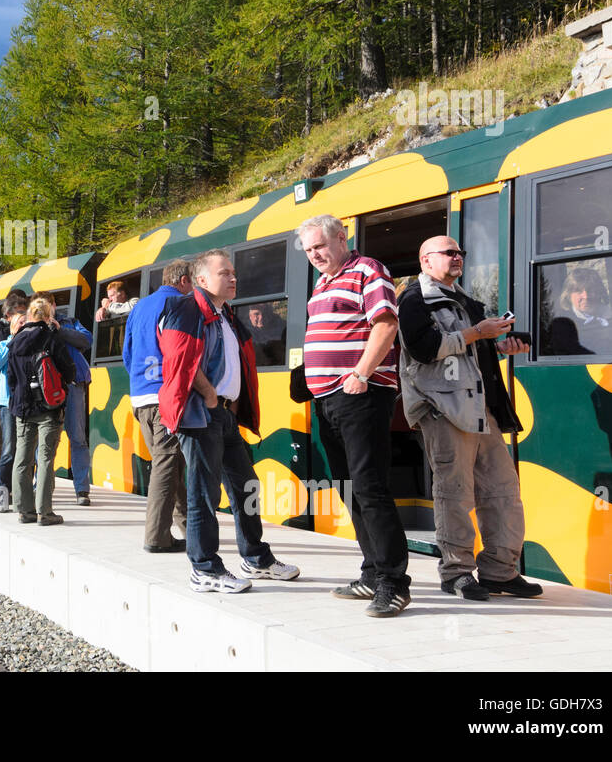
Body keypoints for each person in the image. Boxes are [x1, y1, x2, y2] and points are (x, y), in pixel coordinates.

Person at [397, 236, 542, 599]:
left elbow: (477, 355)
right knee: (455, 493)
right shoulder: (414, 299)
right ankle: (456, 572)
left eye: (460, 252)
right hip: (444, 409)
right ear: (426, 260)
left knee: (503, 491)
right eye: (449, 253)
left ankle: (499, 571)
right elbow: (424, 348)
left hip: (483, 411)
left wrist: (503, 344)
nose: (458, 257)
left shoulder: (468, 301)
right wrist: (478, 333)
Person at [158, 249, 300, 593]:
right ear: (201, 280)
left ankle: (256, 558)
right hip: (200, 415)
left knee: (246, 486)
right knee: (204, 495)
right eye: (225, 273)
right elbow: (180, 362)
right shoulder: (185, 309)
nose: (233, 278)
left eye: (233, 272)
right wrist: (209, 395)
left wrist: (232, 406)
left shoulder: (226, 315)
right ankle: (204, 568)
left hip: (224, 416)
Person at [299, 214, 411, 617]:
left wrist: (361, 374)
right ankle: (372, 572)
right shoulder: (322, 282)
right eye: (309, 250)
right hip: (329, 399)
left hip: (360, 395)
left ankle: (394, 582)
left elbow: (385, 324)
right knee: (351, 488)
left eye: (320, 247)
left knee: (371, 486)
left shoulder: (368, 269)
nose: (315, 255)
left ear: (341, 239)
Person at [124, 258, 193, 552]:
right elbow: (181, 351)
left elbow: (127, 353)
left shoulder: (139, 307)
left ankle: (190, 526)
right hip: (165, 394)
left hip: (140, 395)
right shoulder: (180, 304)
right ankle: (156, 537)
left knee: (170, 463)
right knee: (166, 464)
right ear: (183, 281)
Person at [7, 296, 78, 525]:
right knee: (45, 459)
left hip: (23, 408)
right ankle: (45, 513)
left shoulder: (15, 341)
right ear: (49, 316)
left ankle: (24, 511)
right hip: (49, 407)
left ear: (28, 316)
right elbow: (69, 372)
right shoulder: (51, 338)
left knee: (22, 459)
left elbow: (10, 378)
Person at [0, 294, 28, 510]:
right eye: (19, 322)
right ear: (11, 324)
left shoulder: (32, 341)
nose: (23, 325)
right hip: (7, 402)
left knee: (25, 450)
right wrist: (11, 341)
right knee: (9, 449)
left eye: (25, 322)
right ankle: (3, 493)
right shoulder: (4, 343)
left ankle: (21, 494)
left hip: (28, 402)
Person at [54, 306, 94, 506]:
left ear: (53, 306)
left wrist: (60, 330)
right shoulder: (33, 324)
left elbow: (86, 339)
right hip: (47, 390)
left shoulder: (70, 322)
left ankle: (82, 490)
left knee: (77, 437)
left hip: (73, 386)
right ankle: (41, 487)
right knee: (46, 441)